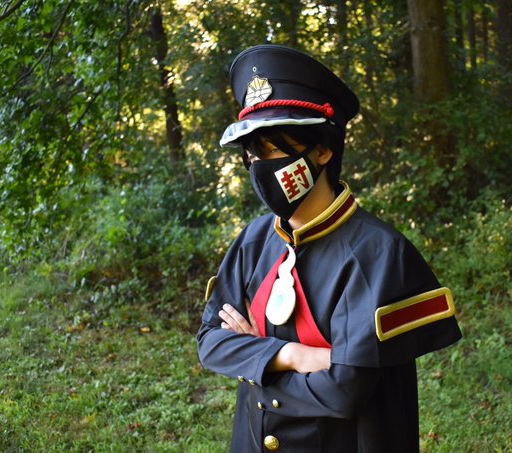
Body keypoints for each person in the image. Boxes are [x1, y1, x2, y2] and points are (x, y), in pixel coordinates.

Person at [196, 44, 462, 452]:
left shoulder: (377, 254)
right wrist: (293, 355)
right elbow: (210, 342)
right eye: (252, 154)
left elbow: (344, 391)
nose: (259, 167)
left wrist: (254, 358)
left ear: (322, 150)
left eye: (273, 150)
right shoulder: (254, 241)